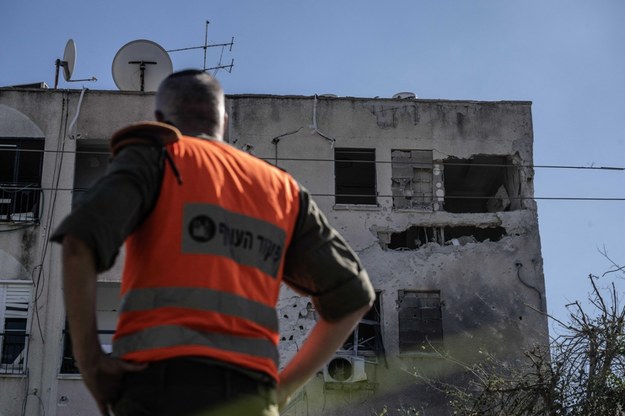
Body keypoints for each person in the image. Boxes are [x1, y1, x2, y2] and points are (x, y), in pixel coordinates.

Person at [52, 69, 375, 416]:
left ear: (161, 119)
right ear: (224, 119)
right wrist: (282, 389)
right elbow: (354, 297)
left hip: (158, 390)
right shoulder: (282, 189)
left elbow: (78, 243)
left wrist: (90, 362)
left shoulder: (156, 156)